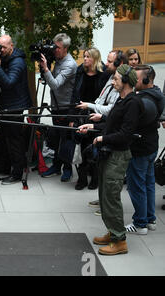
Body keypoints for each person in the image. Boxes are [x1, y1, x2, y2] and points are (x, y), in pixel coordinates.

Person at [78, 64, 140, 255]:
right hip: (109, 153)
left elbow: (125, 134)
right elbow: (111, 125)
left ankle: (119, 240)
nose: (113, 82)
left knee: (112, 198)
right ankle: (112, 232)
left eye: (116, 79)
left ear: (126, 82)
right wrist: (92, 127)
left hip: (118, 156)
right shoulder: (121, 101)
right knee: (105, 196)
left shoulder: (133, 103)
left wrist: (102, 138)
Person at [77, 50, 126, 211]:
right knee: (99, 165)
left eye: (110, 62)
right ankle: (102, 200)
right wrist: (95, 111)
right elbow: (101, 99)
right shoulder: (111, 78)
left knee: (109, 173)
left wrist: (91, 107)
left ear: (119, 64)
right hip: (99, 121)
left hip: (109, 131)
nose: (107, 64)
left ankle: (108, 206)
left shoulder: (122, 86)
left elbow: (112, 109)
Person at [124, 65, 164, 235]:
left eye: (137, 79)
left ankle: (140, 223)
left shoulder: (145, 100)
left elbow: (134, 121)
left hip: (141, 148)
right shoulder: (156, 94)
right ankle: (150, 219)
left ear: (147, 80)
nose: (134, 82)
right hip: (151, 145)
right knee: (148, 183)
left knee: (136, 185)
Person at [0, 35, 32, 184]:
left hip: (15, 106)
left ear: (11, 46)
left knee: (14, 140)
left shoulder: (17, 62)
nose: (1, 50)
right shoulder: (5, 58)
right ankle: (4, 167)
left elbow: (8, 82)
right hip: (7, 103)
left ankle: (17, 173)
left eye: (4, 47)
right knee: (4, 137)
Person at [40, 33, 78, 182]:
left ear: (66, 48)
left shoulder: (70, 64)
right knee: (56, 138)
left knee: (66, 138)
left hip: (65, 107)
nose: (55, 50)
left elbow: (55, 84)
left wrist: (46, 69)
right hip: (56, 105)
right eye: (54, 46)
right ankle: (56, 165)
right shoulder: (56, 58)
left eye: (58, 48)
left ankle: (67, 169)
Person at [69, 48, 107, 190]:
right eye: (84, 56)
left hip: (96, 115)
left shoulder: (103, 75)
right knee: (81, 147)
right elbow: (74, 95)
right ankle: (82, 179)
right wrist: (71, 116)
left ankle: (95, 178)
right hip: (81, 115)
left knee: (93, 148)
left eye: (88, 57)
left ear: (95, 59)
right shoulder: (80, 72)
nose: (84, 59)